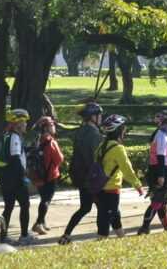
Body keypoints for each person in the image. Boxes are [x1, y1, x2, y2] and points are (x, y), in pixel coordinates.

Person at [94, 114, 143, 240]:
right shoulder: (118, 148)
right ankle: (101, 239)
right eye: (123, 129)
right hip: (111, 188)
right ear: (119, 131)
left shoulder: (102, 145)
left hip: (99, 187)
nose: (125, 131)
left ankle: (122, 237)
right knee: (108, 215)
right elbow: (127, 169)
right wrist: (137, 184)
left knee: (111, 213)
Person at [59, 102, 102, 245]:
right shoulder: (94, 133)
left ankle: (66, 234)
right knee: (103, 207)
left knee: (85, 208)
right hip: (91, 177)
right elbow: (94, 157)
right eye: (98, 115)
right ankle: (102, 236)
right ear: (92, 117)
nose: (101, 117)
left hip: (80, 176)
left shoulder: (81, 131)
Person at [0, 108, 34, 245]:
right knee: (25, 204)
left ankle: (3, 237)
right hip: (15, 179)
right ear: (18, 123)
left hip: (4, 177)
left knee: (8, 206)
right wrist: (23, 176)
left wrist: (28, 149)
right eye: (24, 122)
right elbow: (15, 158)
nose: (26, 125)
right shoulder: (15, 137)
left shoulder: (5, 135)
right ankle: (24, 236)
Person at [138, 111, 167, 235]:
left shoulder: (163, 136)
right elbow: (160, 157)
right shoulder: (160, 136)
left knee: (162, 202)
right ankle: (144, 227)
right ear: (161, 124)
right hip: (160, 171)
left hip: (164, 171)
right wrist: (161, 176)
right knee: (157, 202)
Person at [29, 115, 64, 236]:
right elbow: (59, 159)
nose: (54, 126)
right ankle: (38, 224)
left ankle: (42, 222)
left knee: (43, 198)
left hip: (38, 175)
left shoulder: (37, 140)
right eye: (52, 125)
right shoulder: (51, 141)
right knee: (46, 200)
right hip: (50, 175)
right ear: (46, 128)